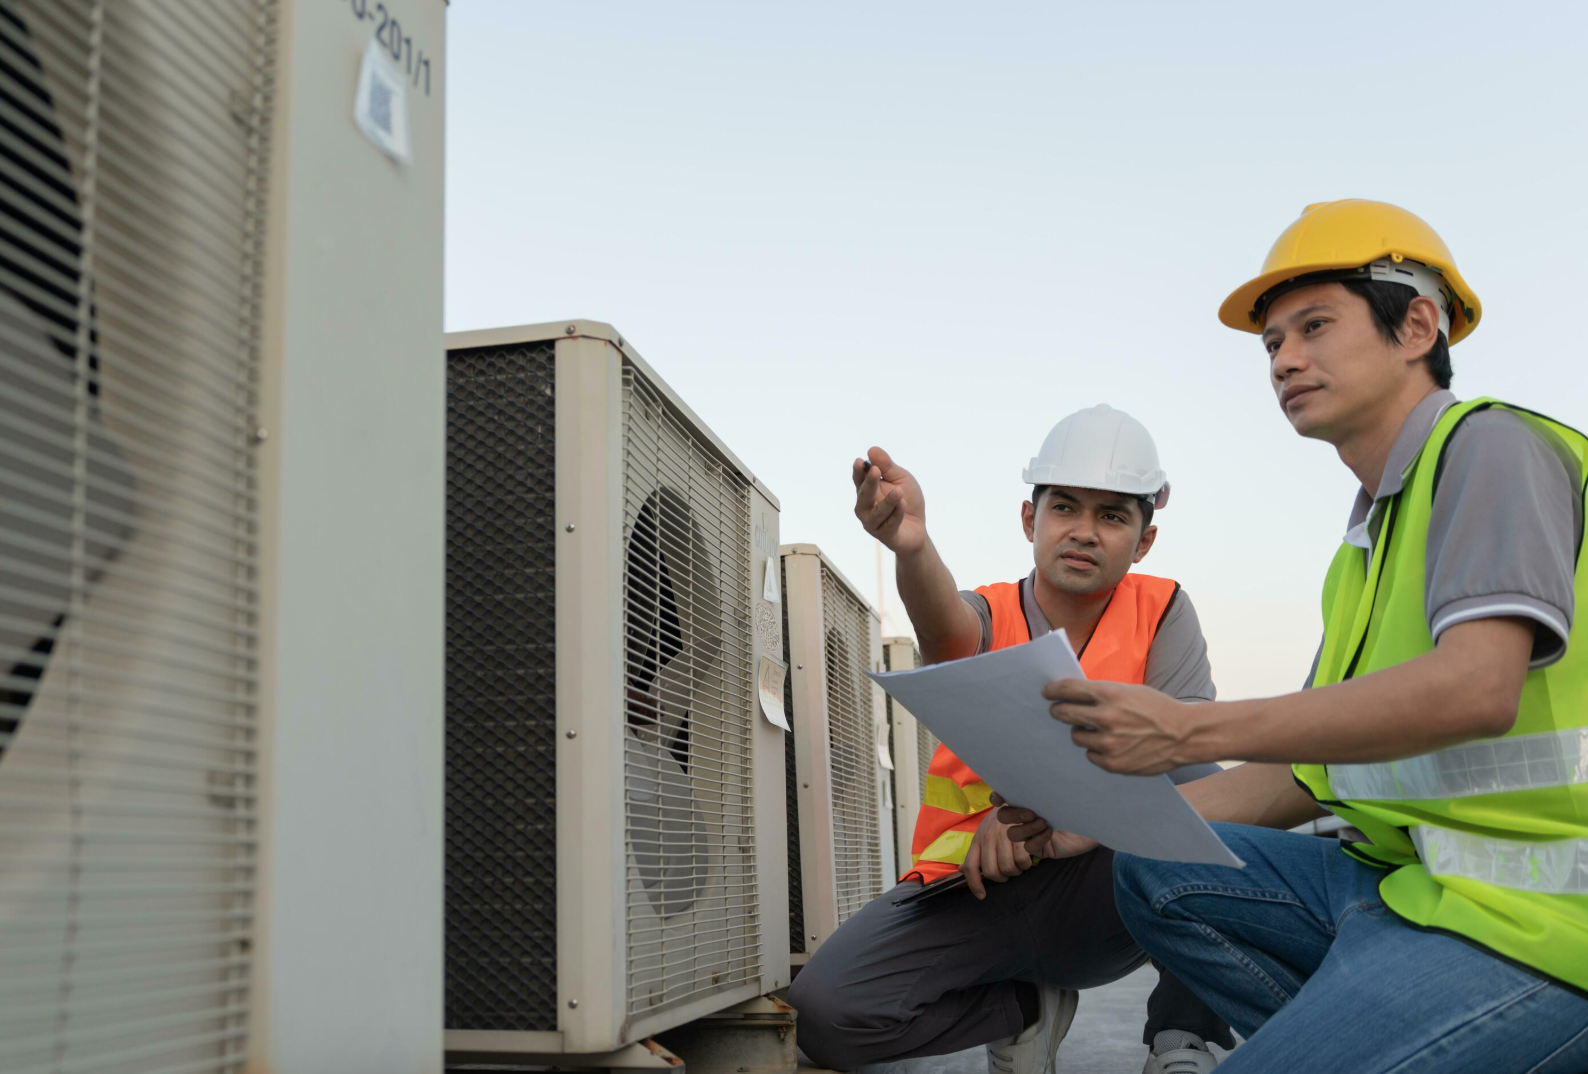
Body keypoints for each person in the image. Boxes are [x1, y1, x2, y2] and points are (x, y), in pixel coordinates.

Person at [1001, 200, 1588, 1072]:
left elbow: (1479, 686)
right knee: (1155, 867)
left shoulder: (1491, 448)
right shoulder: (1362, 547)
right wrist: (1101, 823)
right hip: (1411, 895)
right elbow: (1310, 771)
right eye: (1273, 343)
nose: (1286, 360)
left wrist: (1189, 729)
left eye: (1314, 327)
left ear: (1417, 325)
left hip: (1539, 925)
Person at [788, 405, 1232, 1074]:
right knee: (826, 1013)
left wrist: (1051, 810)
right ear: (1031, 520)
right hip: (974, 885)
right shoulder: (990, 610)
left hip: (1104, 888)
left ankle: (1182, 1037)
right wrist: (913, 548)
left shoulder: (1162, 608)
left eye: (1112, 516)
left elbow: (1185, 747)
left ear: (1143, 541)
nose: (1083, 532)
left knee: (1212, 787)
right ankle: (1025, 1008)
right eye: (1065, 508)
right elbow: (945, 636)